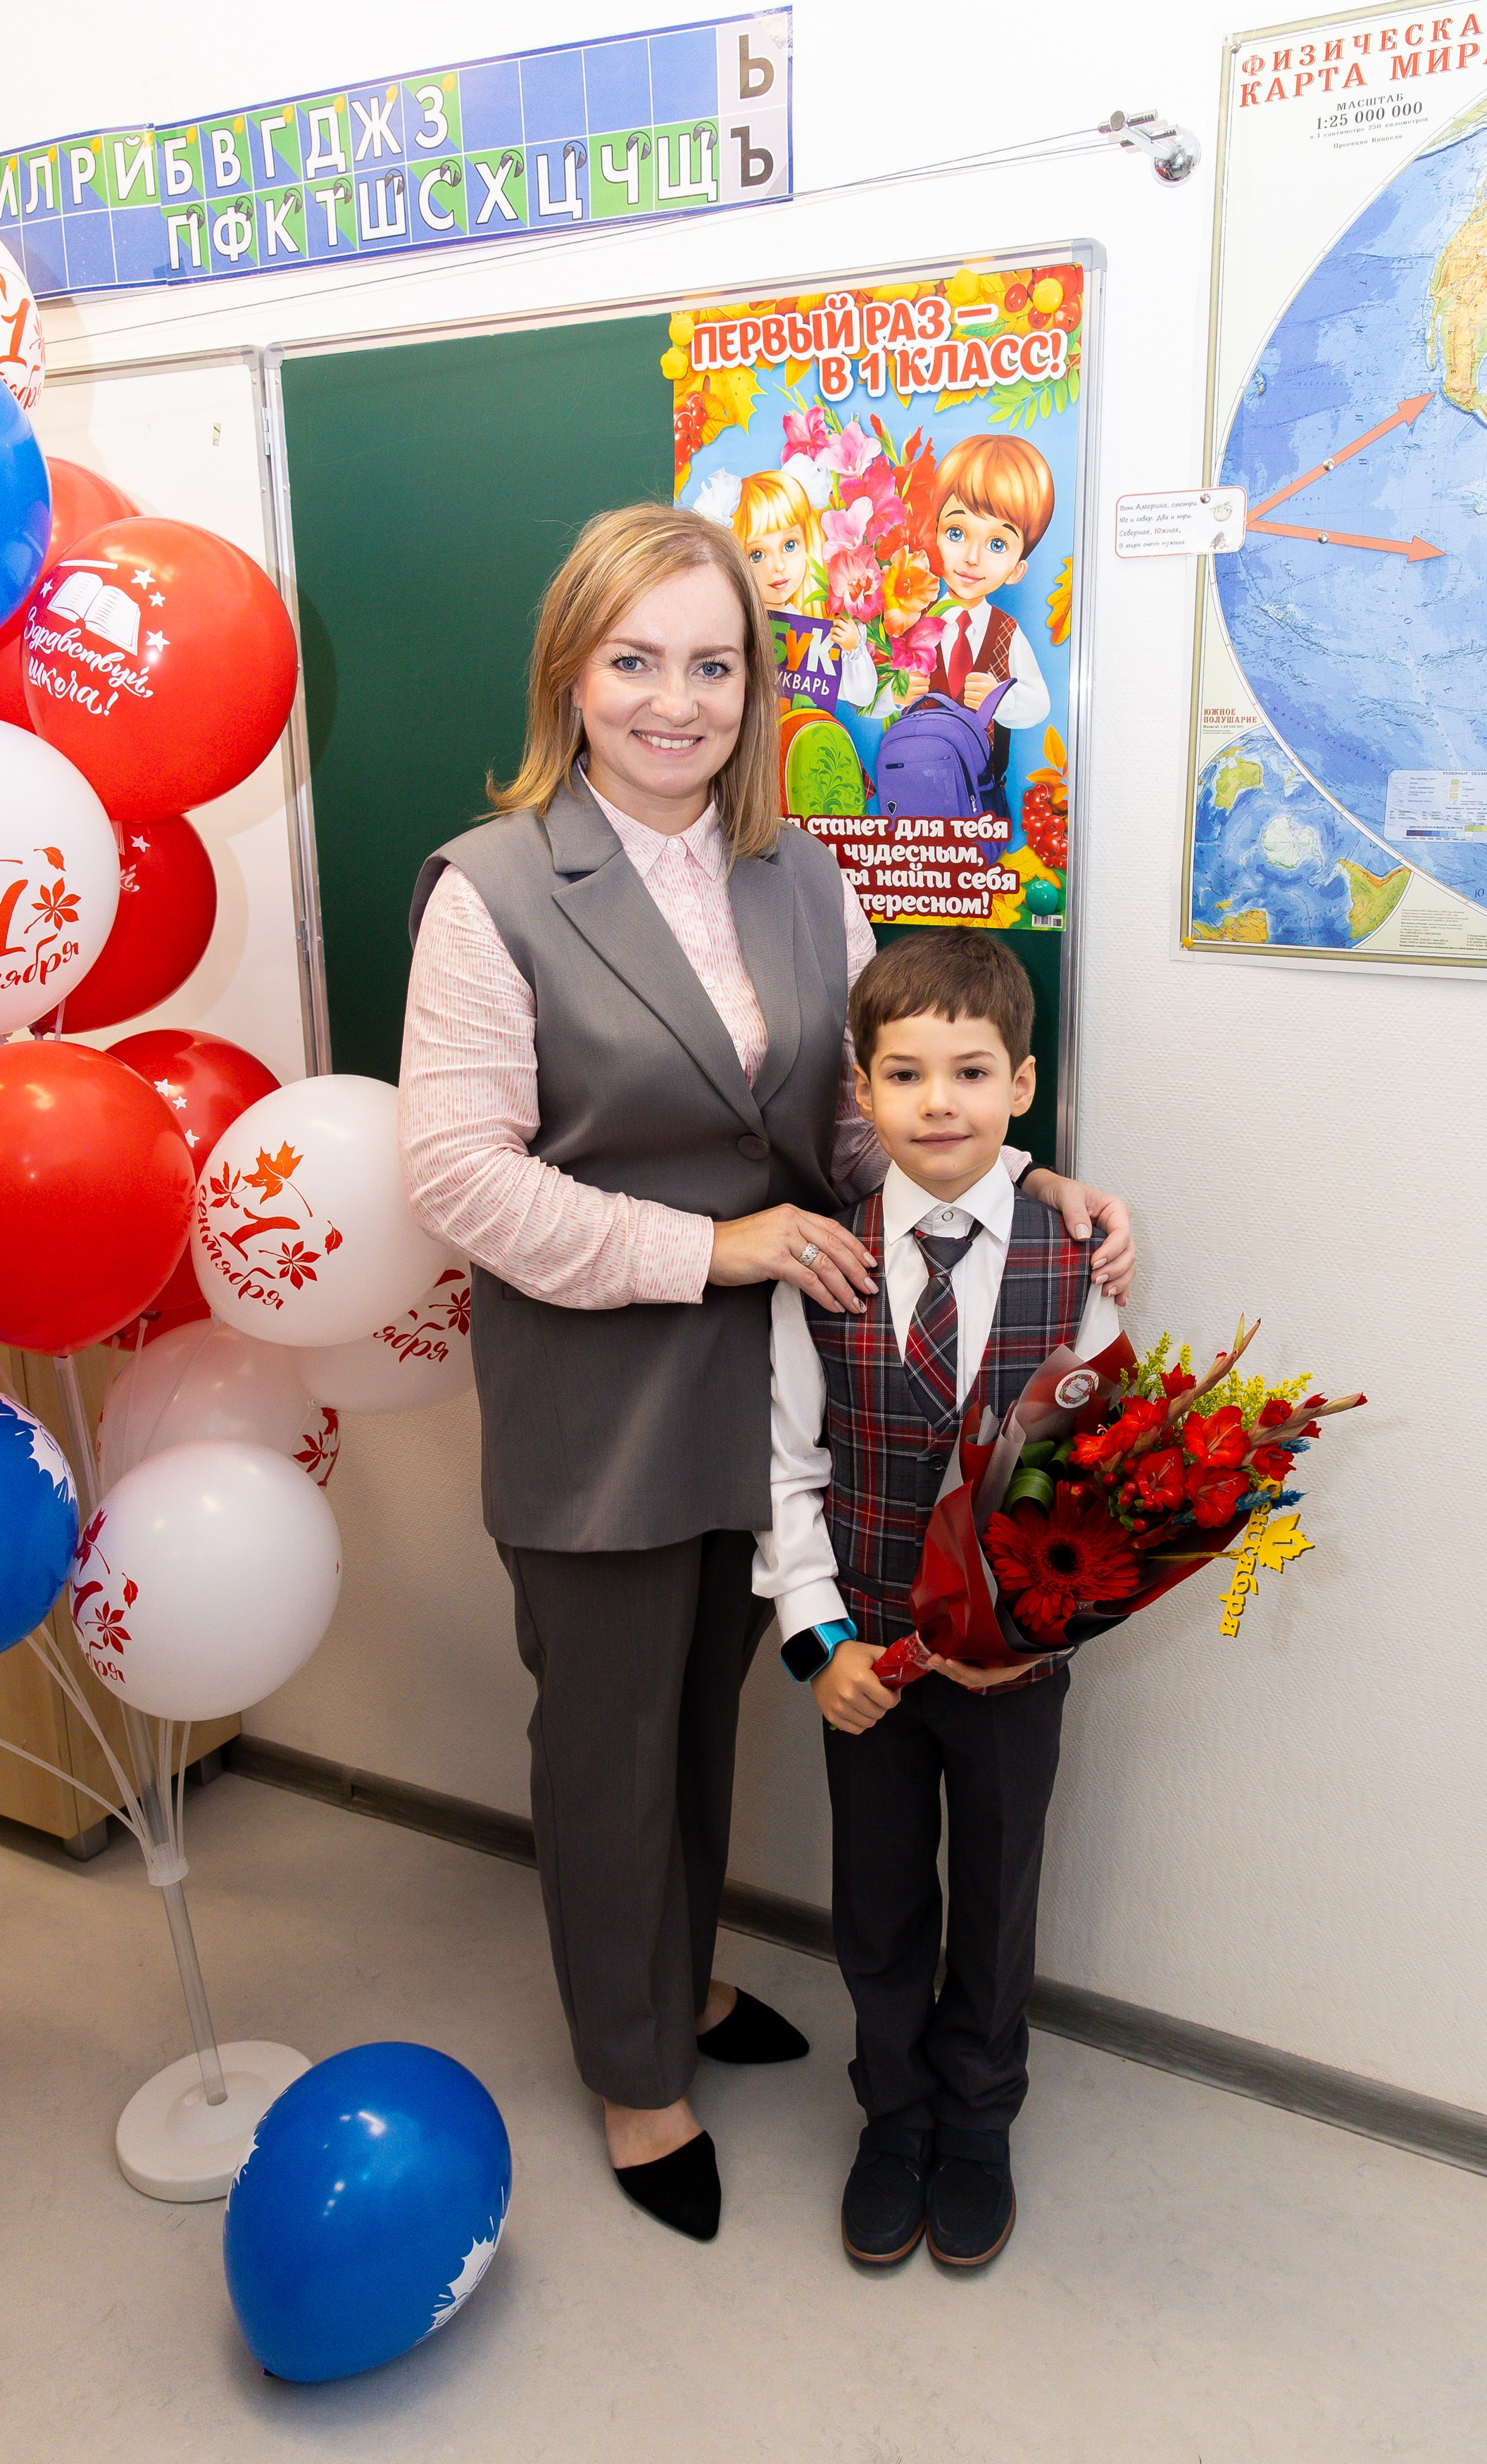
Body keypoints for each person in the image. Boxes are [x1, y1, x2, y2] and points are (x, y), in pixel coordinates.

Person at [398, 503, 1134, 2245]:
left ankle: (677, 1977)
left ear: (755, 684)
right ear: (569, 676)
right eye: (634, 661)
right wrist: (711, 1250)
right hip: (602, 1402)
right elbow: (456, 1176)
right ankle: (635, 2068)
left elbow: (849, 1126)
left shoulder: (798, 873)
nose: (675, 701)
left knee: (705, 1722)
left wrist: (1027, 1189)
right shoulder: (490, 888)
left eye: (713, 665)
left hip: (790, 1390)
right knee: (607, 1747)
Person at [754, 929, 1119, 2270]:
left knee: (998, 1895)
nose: (939, 1103)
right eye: (904, 1075)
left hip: (1016, 1670)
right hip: (872, 1664)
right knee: (878, 1897)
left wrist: (1037, 1631)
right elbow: (786, 1466)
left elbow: (1094, 1480)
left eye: (970, 1073)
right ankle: (893, 2114)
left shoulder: (1075, 1263)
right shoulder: (825, 1263)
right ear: (862, 1091)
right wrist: (819, 1646)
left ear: (1020, 1085)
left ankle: (976, 2118)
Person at [898, 434, 1055, 816]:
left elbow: (1040, 702)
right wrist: (897, 693)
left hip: (982, 799)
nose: (972, 557)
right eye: (956, 533)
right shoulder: (912, 616)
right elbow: (872, 694)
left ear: (1016, 570)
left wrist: (1003, 699)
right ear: (933, 535)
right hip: (915, 793)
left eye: (997, 544)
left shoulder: (1006, 632)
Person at [727, 465, 877, 710]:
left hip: (807, 729)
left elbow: (861, 696)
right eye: (756, 555)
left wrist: (853, 649)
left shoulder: (814, 631)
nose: (778, 566)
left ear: (809, 541)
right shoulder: (736, 626)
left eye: (790, 545)